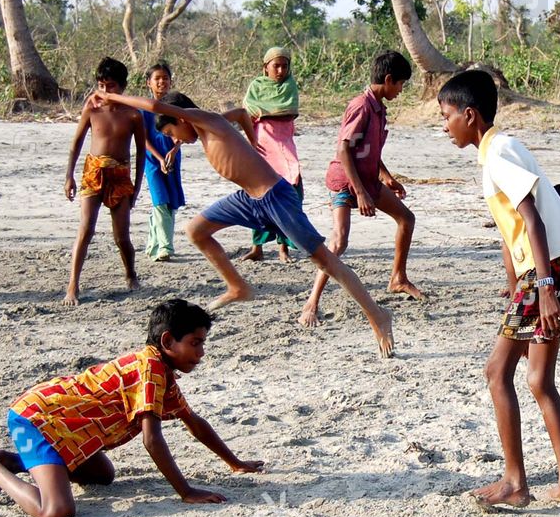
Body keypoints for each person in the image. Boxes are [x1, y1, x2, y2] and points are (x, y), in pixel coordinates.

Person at [89, 88, 396, 357]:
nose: (173, 140)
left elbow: (155, 107)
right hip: (249, 200)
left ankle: (377, 315)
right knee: (196, 230)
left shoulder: (205, 119)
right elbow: (240, 113)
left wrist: (110, 97)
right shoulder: (209, 125)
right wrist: (250, 138)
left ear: (181, 117)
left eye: (171, 133)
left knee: (326, 262)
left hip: (276, 198)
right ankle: (238, 286)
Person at [0, 299, 262, 517]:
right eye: (195, 343)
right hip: (37, 418)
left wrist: (234, 463)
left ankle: (12, 461)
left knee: (102, 474)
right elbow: (152, 440)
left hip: (67, 430)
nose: (201, 353)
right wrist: (185, 491)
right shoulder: (151, 370)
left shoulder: (161, 371)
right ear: (168, 341)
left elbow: (193, 421)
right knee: (56, 511)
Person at [439, 69, 560, 507]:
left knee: (497, 372)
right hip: (553, 268)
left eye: (446, 116)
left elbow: (533, 219)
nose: (444, 126)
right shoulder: (498, 150)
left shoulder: (499, 151)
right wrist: (517, 282)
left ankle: (515, 483)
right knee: (539, 381)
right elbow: (513, 230)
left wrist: (540, 287)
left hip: (548, 272)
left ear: (470, 114)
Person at [300, 50, 423, 328]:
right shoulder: (361, 106)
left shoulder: (379, 109)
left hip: (368, 179)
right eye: (401, 84)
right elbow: (344, 148)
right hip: (346, 181)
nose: (402, 90)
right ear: (388, 79)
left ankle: (398, 279)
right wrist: (360, 192)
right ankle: (312, 301)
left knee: (406, 218)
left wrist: (387, 177)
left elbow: (370, 150)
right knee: (339, 241)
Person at [64, 57, 145, 305]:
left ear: (122, 86)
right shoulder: (92, 107)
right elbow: (77, 142)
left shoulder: (133, 114)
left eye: (110, 86)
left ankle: (130, 273)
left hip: (120, 176)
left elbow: (141, 152)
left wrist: (136, 188)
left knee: (121, 237)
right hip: (93, 173)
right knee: (85, 230)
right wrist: (68, 176)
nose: (105, 91)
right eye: (101, 85)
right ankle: (72, 286)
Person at [238, 47, 303, 263]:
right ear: (265, 67)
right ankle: (257, 247)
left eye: (285, 66)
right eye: (276, 66)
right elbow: (247, 112)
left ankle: (283, 247)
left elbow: (289, 111)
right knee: (258, 195)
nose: (281, 70)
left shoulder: (290, 86)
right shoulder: (256, 87)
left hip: (284, 148)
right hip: (261, 147)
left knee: (288, 193)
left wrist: (262, 112)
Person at [141, 62, 189, 262]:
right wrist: (159, 158)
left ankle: (153, 244)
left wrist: (174, 149)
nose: (162, 82)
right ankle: (165, 247)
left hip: (172, 158)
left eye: (165, 78)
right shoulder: (144, 109)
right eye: (157, 79)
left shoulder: (176, 106)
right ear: (149, 83)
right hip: (152, 161)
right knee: (159, 200)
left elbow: (185, 132)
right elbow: (143, 138)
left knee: (170, 202)